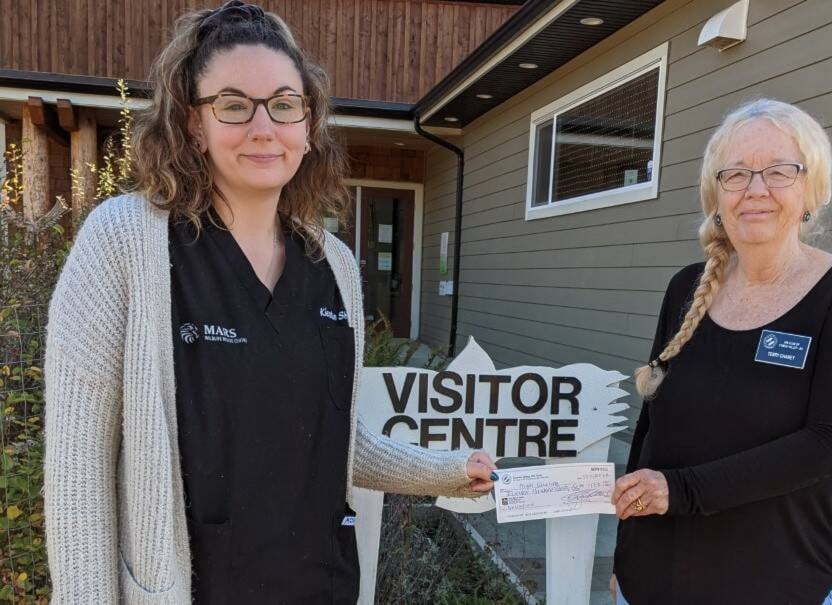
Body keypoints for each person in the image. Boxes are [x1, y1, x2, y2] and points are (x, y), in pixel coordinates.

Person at [43, 2, 495, 603]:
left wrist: (447, 472)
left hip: (321, 586)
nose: (264, 127)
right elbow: (79, 475)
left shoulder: (333, 265)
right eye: (234, 105)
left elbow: (334, 440)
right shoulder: (124, 243)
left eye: (284, 104)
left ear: (307, 126)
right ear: (193, 123)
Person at [609, 99, 832, 605]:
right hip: (647, 583)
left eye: (779, 171)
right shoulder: (685, 289)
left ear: (812, 188)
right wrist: (623, 556)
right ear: (715, 193)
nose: (755, 189)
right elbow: (649, 431)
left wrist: (683, 491)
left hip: (775, 584)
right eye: (735, 173)